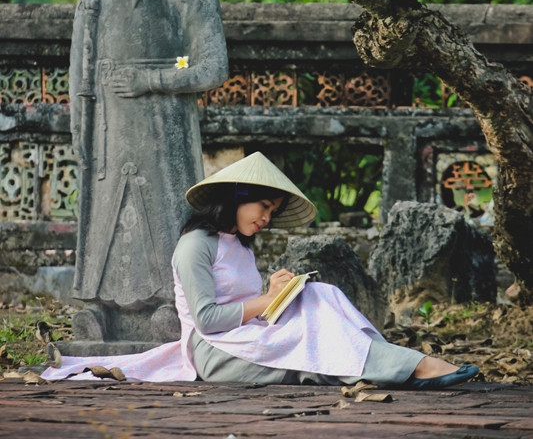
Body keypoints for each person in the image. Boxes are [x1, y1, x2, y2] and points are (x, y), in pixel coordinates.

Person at [43, 152, 478, 389]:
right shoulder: (195, 245)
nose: (267, 217)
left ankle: (400, 364)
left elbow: (251, 305)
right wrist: (267, 302)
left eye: (272, 210)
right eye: (263, 206)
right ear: (237, 197)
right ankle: (411, 367)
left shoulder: (240, 247)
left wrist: (274, 291)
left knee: (319, 297)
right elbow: (209, 319)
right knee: (315, 353)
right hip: (216, 352)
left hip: (248, 339)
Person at [69, 0, 228, 343]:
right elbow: (79, 69)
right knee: (104, 218)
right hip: (109, 133)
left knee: (164, 214)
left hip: (165, 132)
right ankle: (97, 308)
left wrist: (156, 77)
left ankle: (171, 304)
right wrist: (80, 123)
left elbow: (204, 65)